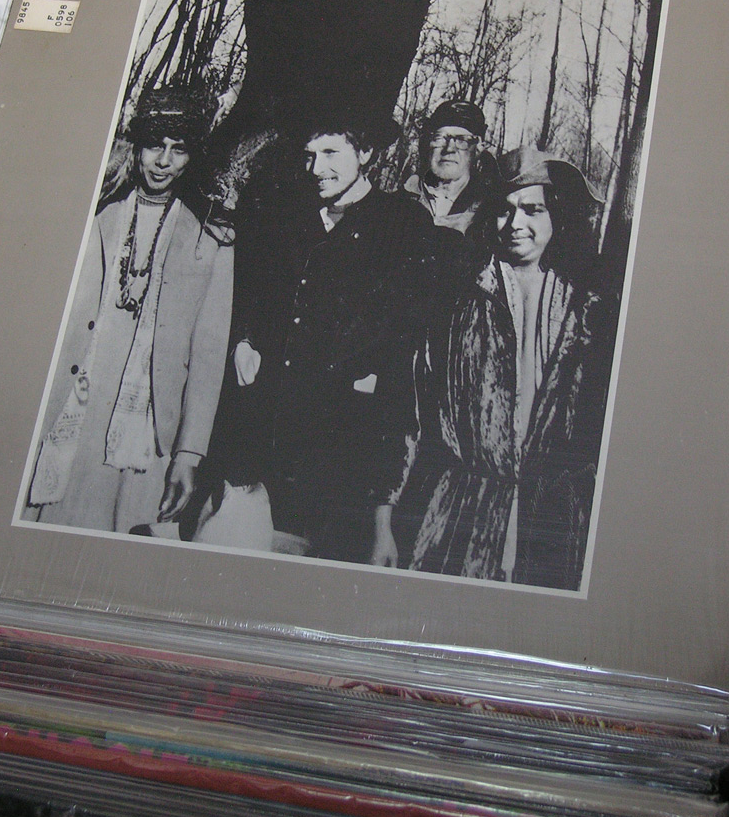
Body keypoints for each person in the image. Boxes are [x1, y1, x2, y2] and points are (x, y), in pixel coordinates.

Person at [375, 146, 612, 589]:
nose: (516, 223)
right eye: (505, 210)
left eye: (532, 210)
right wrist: (382, 519)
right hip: (458, 518)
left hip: (551, 526)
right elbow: (408, 410)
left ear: (555, 219)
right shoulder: (456, 299)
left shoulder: (584, 310)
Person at [221, 103, 433, 564]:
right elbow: (256, 295)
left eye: (331, 153)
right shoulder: (289, 219)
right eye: (309, 155)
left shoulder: (400, 225)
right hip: (267, 445)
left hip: (342, 455)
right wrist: (245, 339)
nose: (316, 169)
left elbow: (400, 349)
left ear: (366, 153)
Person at [26, 92, 234, 534]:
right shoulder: (95, 214)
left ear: (192, 157)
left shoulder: (211, 241)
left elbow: (208, 357)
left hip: (145, 432)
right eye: (154, 145)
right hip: (70, 409)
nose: (164, 161)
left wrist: (188, 455)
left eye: (179, 149)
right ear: (137, 147)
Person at [402, 100, 495, 238]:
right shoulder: (399, 202)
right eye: (440, 138)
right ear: (429, 144)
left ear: (478, 147)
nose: (449, 148)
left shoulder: (489, 214)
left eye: (462, 140)